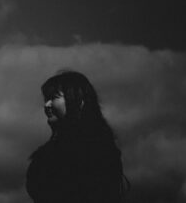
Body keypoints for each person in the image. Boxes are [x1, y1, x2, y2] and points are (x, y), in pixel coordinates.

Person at [26, 70, 129, 203]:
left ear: (79, 101)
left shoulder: (95, 151)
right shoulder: (50, 152)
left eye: (54, 97)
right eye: (46, 99)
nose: (47, 105)